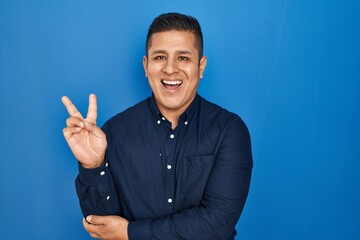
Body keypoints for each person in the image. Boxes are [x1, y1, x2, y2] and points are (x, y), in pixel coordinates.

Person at [62, 12, 253, 240]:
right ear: (146, 65)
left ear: (201, 66)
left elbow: (216, 223)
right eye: (160, 57)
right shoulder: (113, 131)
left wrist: (131, 233)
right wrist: (93, 165)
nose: (170, 69)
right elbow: (102, 226)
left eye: (183, 58)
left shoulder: (229, 131)